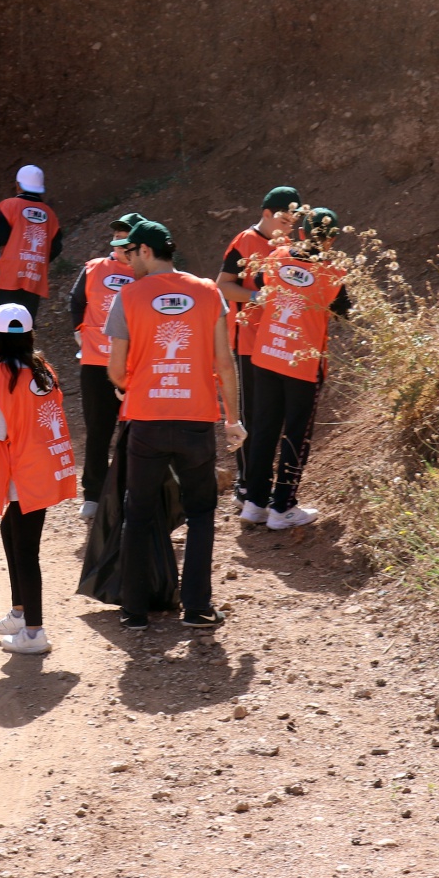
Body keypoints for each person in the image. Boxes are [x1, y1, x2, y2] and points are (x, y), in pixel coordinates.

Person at [104, 220, 246, 631]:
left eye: (133, 252)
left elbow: (116, 369)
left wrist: (134, 386)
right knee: (201, 511)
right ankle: (197, 607)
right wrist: (233, 420)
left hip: (146, 421)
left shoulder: (127, 296)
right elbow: (224, 362)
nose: (129, 260)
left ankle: (134, 612)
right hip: (196, 421)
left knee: (139, 512)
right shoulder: (207, 291)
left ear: (147, 251)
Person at [0, 303, 78, 655]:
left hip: (27, 470)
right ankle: (20, 613)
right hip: (46, 464)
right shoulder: (42, 369)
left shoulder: (4, 375)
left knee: (26, 551)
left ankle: (35, 632)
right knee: (10, 532)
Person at [243, 208, 350, 530]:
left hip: (266, 355)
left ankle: (254, 503)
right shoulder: (333, 273)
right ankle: (283, 508)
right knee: (295, 435)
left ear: (302, 233)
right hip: (302, 364)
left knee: (263, 428)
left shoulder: (276, 256)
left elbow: (260, 282)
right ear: (330, 240)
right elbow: (344, 311)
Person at [216, 187, 301, 512]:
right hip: (248, 341)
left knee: (269, 417)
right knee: (250, 413)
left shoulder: (290, 245)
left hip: (278, 342)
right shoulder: (245, 242)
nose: (289, 225)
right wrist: (254, 298)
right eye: (284, 219)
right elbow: (222, 284)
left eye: (293, 220)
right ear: (266, 214)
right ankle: (245, 484)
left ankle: (258, 486)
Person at [68, 211, 144, 519]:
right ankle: (94, 494)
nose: (118, 241)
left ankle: (126, 490)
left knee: (132, 431)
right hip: (96, 362)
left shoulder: (147, 273)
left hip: (135, 366)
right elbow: (76, 302)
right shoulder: (94, 268)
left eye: (124, 236)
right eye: (115, 235)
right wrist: (78, 334)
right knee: (98, 430)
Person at [0, 164, 64, 319]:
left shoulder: (10, 206)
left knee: (2, 319)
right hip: (35, 273)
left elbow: (0, 239)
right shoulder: (50, 214)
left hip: (10, 273)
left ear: (18, 185)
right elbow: (57, 246)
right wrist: (40, 259)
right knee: (27, 321)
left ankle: (1, 343)